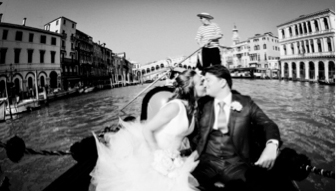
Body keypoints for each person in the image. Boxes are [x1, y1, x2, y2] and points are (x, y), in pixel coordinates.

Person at [90, 70, 207, 191]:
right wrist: (159, 156)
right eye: (201, 83)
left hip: (173, 159)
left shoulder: (193, 109)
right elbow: (147, 129)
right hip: (153, 156)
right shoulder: (175, 107)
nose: (205, 84)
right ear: (190, 88)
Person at [191, 65, 281, 191]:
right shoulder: (203, 104)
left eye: (208, 80)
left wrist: (271, 145)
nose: (204, 84)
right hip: (207, 162)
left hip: (236, 164)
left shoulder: (246, 103)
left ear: (222, 82)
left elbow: (268, 123)